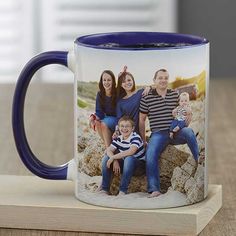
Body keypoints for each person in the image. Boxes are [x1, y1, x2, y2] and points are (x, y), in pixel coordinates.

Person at [139, 69, 199, 198]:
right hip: (158, 134)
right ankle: (154, 189)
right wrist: (143, 140)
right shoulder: (147, 96)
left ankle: (198, 159)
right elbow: (142, 120)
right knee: (150, 153)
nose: (163, 80)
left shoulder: (174, 94)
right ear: (154, 80)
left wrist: (189, 116)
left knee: (189, 131)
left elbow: (184, 108)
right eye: (160, 78)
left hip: (175, 131)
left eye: (166, 78)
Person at [100, 116, 145, 195]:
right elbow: (109, 150)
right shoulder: (118, 138)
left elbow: (131, 151)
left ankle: (122, 190)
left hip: (138, 167)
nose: (124, 128)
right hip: (125, 165)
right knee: (106, 158)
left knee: (129, 159)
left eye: (127, 126)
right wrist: (114, 160)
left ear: (133, 128)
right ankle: (105, 189)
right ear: (119, 127)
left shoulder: (135, 137)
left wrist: (114, 157)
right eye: (122, 126)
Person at [116, 66, 150, 134]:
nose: (127, 83)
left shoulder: (141, 92)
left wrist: (149, 87)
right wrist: (116, 131)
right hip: (126, 132)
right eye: (123, 81)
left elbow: (155, 90)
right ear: (121, 85)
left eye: (129, 80)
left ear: (133, 81)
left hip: (140, 130)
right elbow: (119, 120)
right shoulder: (120, 102)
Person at [89, 70, 117, 148]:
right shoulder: (100, 94)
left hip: (118, 120)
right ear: (101, 81)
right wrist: (92, 117)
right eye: (104, 80)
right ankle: (108, 146)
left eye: (109, 80)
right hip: (107, 119)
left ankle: (108, 150)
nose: (106, 82)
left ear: (113, 81)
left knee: (103, 124)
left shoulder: (117, 92)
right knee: (97, 122)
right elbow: (99, 112)